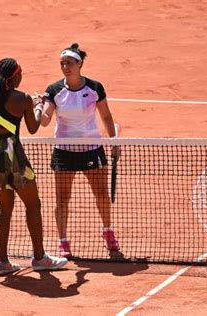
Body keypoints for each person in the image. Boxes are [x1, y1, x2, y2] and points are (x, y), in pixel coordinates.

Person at [0, 57, 68, 275]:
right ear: (15, 76)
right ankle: (40, 258)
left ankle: (3, 262)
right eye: (21, 72)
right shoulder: (22, 98)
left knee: (5, 208)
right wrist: (37, 105)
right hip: (12, 156)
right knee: (33, 204)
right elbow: (33, 127)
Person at [40, 43, 121, 259]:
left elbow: (106, 116)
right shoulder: (54, 90)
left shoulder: (94, 88)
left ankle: (108, 232)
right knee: (62, 199)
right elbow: (45, 121)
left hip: (91, 149)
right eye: (62, 63)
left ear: (80, 64)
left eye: (69, 63)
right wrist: (39, 109)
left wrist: (114, 141)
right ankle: (63, 241)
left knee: (102, 196)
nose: (65, 67)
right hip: (64, 151)